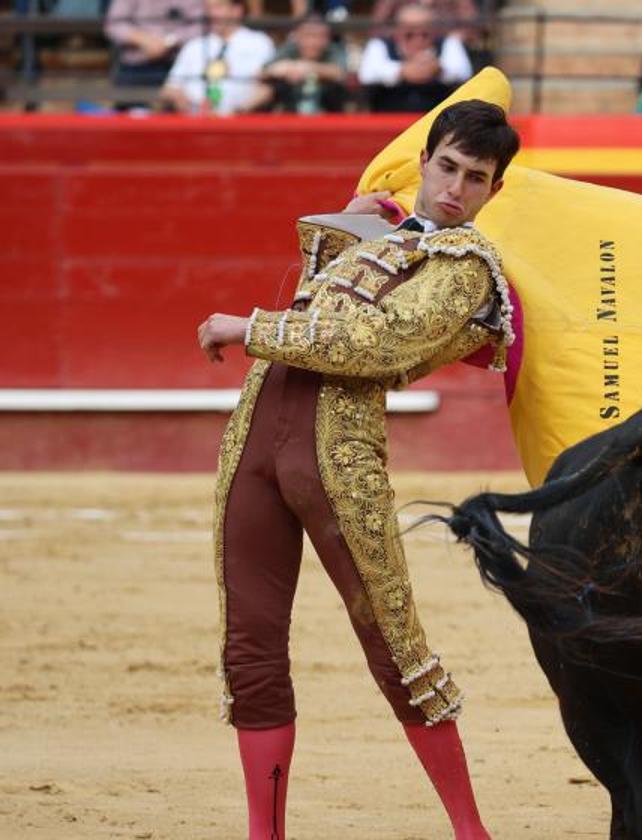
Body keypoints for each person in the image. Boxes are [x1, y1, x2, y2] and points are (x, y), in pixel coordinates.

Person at [195, 99, 519, 840]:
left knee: (396, 648)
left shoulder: (469, 267)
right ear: (426, 162)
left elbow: (374, 342)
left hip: (335, 454)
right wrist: (353, 222)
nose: (455, 189)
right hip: (254, 442)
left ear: (492, 192)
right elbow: (325, 295)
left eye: (475, 178)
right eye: (446, 167)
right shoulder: (386, 238)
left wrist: (251, 329)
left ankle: (473, 833)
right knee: (249, 648)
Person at [159, 0, 274, 114]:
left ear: (236, 10)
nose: (211, 14)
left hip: (243, 122)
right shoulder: (194, 45)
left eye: (218, 7)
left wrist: (240, 111)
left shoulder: (259, 42)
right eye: (208, 8)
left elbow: (268, 89)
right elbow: (169, 88)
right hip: (194, 122)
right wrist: (178, 99)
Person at [359, 3, 474, 112]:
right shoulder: (379, 44)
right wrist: (402, 71)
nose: (418, 40)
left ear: (434, 31)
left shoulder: (449, 43)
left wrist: (438, 69)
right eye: (409, 34)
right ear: (397, 32)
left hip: (436, 126)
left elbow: (463, 71)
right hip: (388, 124)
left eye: (425, 34)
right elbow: (367, 74)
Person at [104, 0, 205, 105]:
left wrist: (169, 42)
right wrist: (144, 40)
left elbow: (201, 25)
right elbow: (114, 25)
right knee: (130, 113)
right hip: (135, 67)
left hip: (177, 65)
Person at [261, 14, 349, 114]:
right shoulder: (289, 49)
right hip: (289, 112)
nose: (313, 41)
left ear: (327, 38)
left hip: (327, 113)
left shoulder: (334, 50)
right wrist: (287, 68)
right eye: (308, 35)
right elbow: (263, 72)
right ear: (297, 35)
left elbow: (340, 73)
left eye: (320, 36)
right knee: (266, 89)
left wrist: (306, 68)